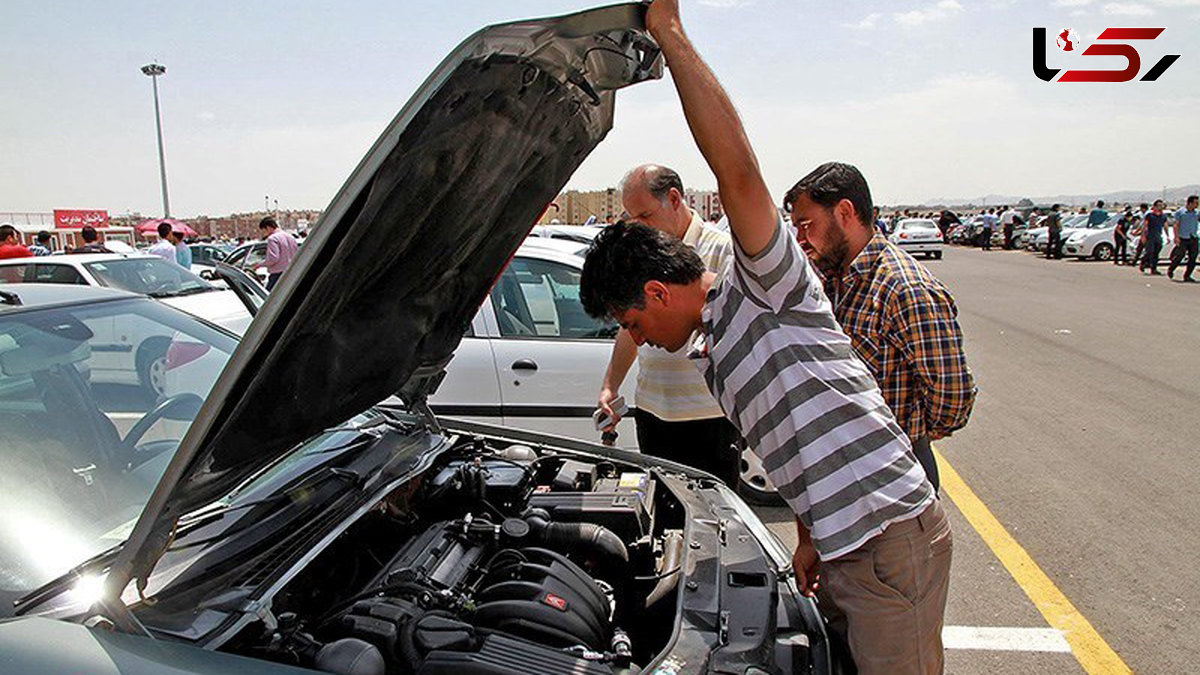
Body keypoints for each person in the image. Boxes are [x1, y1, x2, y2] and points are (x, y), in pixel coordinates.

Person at [580, 3, 951, 671]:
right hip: (843, 543)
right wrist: (808, 534)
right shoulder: (714, 352)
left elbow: (738, 173)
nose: (639, 339)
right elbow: (803, 442)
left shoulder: (762, 283)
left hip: (889, 537)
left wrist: (668, 30)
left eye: (634, 323)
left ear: (659, 293)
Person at [785, 162, 975, 492]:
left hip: (895, 471)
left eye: (806, 225)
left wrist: (910, 433)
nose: (800, 239)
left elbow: (952, 396)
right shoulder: (834, 279)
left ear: (845, 212)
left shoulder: (904, 289)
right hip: (846, 463)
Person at [597, 164, 739, 487]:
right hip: (653, 413)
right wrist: (610, 386)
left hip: (708, 418)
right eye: (630, 218)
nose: (637, 227)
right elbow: (629, 328)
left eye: (644, 216)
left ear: (674, 199)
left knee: (712, 521)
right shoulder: (639, 257)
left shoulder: (721, 250)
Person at [259, 216, 298, 290]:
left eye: (264, 231)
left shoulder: (272, 239)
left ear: (268, 227)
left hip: (277, 274)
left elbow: (273, 258)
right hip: (291, 272)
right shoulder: (290, 237)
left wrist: (260, 264)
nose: (264, 233)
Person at [1167, 195, 1199, 282]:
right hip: (1183, 237)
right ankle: (1171, 268)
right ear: (1190, 203)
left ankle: (1187, 275)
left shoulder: (1196, 213)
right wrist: (1176, 237)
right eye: (1196, 203)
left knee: (1193, 257)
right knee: (1180, 256)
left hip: (1193, 237)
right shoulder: (1180, 212)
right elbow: (1175, 225)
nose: (1197, 205)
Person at [1141, 200, 1168, 275]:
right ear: (1155, 207)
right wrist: (1143, 236)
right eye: (1159, 205)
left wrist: (1167, 236)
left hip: (1158, 236)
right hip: (1150, 236)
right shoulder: (1150, 215)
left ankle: (1154, 269)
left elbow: (1165, 226)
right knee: (1150, 251)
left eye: (1161, 205)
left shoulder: (1163, 216)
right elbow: (1144, 226)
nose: (1160, 207)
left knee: (1156, 253)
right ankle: (1143, 262)